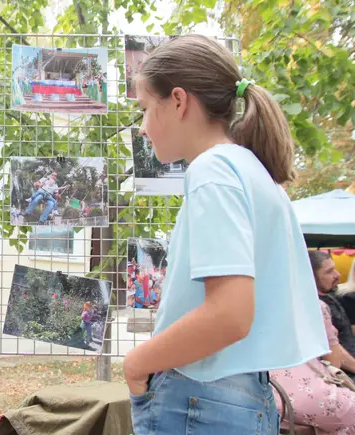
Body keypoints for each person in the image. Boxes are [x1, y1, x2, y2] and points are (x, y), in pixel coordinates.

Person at [122, 35, 327, 435]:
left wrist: (137, 362)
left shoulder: (211, 171)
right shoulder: (250, 170)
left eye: (145, 109)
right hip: (245, 394)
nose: (143, 128)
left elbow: (229, 316)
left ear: (179, 101)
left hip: (200, 399)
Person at [270, 298, 355, 434]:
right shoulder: (315, 305)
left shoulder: (253, 304)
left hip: (266, 396)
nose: (337, 274)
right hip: (310, 396)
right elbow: (334, 361)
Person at [311, 251, 355, 381]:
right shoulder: (315, 305)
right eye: (329, 271)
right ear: (311, 276)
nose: (337, 275)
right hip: (341, 376)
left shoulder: (330, 296)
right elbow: (333, 347)